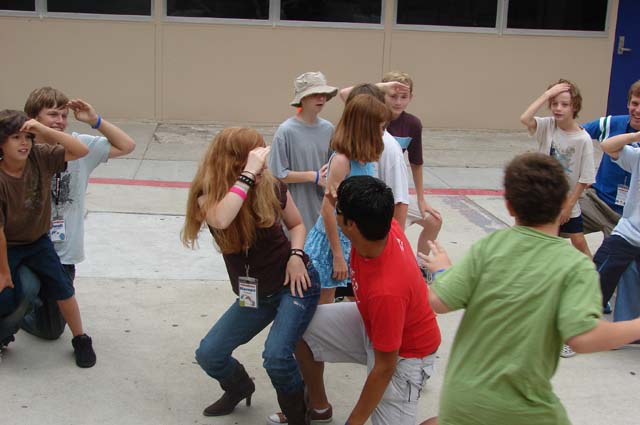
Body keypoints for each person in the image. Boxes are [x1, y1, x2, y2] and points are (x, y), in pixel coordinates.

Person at [419, 153, 640, 425]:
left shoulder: (489, 247)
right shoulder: (575, 266)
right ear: (564, 204)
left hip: (462, 402)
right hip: (522, 411)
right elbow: (583, 337)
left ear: (509, 206)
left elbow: (439, 301)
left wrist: (442, 270)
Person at [182, 127, 320, 425]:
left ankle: (299, 415)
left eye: (261, 156)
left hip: (293, 284)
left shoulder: (272, 186)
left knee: (276, 357)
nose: (262, 164)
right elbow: (222, 218)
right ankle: (239, 387)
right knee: (209, 354)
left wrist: (296, 256)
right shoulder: (207, 196)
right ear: (232, 162)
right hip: (255, 294)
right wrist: (247, 174)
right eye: (254, 157)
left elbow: (297, 225)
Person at [289, 175, 440, 425]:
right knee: (298, 326)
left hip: (406, 354)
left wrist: (353, 422)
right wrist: (337, 195)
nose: (332, 209)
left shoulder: (387, 290)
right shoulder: (383, 225)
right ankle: (318, 406)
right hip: (375, 322)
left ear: (351, 224)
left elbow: (384, 367)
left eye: (338, 209)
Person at [19, 87, 136, 339]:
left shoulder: (78, 145)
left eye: (63, 116)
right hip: (27, 247)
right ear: (33, 118)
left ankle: (29, 312)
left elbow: (127, 145)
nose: (60, 121)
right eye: (53, 115)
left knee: (51, 331)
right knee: (22, 290)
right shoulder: (21, 148)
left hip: (63, 252)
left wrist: (95, 120)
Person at [0, 110, 96, 368]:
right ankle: (3, 335)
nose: (24, 143)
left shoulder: (39, 156)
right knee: (6, 297)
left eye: (28, 137)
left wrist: (43, 130)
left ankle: (81, 338)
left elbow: (80, 150)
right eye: (16, 138)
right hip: (8, 244)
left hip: (38, 241)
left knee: (63, 287)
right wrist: (4, 272)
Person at [304, 94, 387, 304]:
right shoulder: (342, 162)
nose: (383, 132)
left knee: (360, 298)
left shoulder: (365, 158)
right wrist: (338, 255)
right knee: (323, 305)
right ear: (366, 128)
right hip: (331, 244)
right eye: (380, 127)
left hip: (353, 240)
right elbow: (327, 210)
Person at [580, 80, 640, 316]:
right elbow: (605, 145)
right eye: (635, 103)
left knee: (629, 281)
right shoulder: (634, 151)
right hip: (621, 225)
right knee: (598, 280)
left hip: (621, 221)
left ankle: (627, 327)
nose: (637, 110)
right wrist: (635, 135)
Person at [520, 79, 595, 258]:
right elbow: (525, 118)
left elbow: (585, 179)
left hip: (567, 200)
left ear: (574, 107)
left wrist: (569, 205)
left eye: (564, 104)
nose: (558, 108)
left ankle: (592, 272)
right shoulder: (547, 126)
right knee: (539, 240)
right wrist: (547, 94)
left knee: (578, 241)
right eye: (554, 104)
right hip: (543, 198)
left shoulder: (583, 139)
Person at [380, 71, 443, 271]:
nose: (398, 102)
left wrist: (421, 198)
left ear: (411, 97)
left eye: (404, 96)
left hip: (397, 191)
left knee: (434, 221)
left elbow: (416, 163)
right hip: (377, 192)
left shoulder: (413, 124)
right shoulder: (373, 118)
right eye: (393, 96)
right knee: (389, 236)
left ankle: (421, 266)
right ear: (382, 94)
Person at [269, 71, 337, 232]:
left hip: (322, 210)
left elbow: (333, 164)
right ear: (302, 98)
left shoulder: (328, 129)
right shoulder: (286, 131)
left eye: (324, 94)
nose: (321, 98)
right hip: (294, 212)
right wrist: (313, 176)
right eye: (315, 94)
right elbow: (276, 174)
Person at [593, 131, 640, 314]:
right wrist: (635, 136)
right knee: (594, 284)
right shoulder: (637, 156)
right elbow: (607, 146)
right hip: (627, 234)